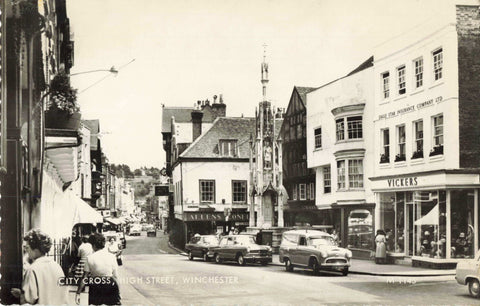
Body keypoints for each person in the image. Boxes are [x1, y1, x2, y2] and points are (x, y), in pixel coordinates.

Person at [11, 229, 69, 305]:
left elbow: (28, 301)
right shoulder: (57, 266)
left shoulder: (33, 269)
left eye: (27, 247)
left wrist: (22, 296)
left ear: (36, 248)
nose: (26, 251)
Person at [76, 233, 121, 305]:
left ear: (93, 245)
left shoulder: (90, 258)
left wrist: (78, 293)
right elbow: (115, 276)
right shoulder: (111, 257)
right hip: (109, 284)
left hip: (95, 285)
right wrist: (118, 292)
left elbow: (84, 278)